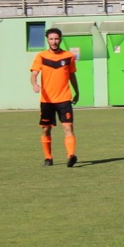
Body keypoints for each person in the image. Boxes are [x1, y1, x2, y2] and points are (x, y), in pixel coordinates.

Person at [30, 27, 81, 167]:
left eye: (56, 38)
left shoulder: (69, 56)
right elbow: (34, 74)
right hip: (47, 100)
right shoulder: (41, 56)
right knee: (46, 129)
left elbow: (72, 75)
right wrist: (35, 84)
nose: (54, 41)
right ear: (47, 40)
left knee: (68, 127)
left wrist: (77, 92)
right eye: (51, 39)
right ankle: (48, 158)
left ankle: (71, 156)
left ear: (60, 39)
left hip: (64, 98)